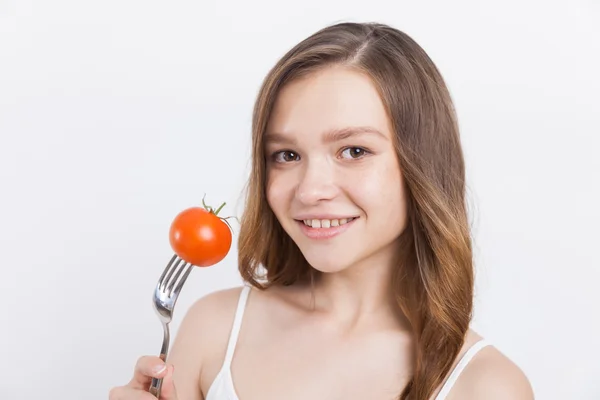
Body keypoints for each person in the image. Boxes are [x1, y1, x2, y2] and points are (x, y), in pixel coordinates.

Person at [109, 22, 534, 400]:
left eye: (353, 151)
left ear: (423, 165)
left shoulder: (487, 386)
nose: (311, 190)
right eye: (287, 155)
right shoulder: (215, 329)